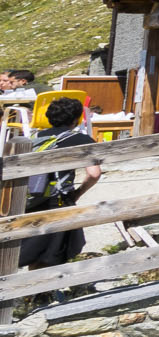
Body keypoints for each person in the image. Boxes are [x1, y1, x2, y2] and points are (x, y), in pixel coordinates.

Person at [21, 95, 101, 268]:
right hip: (57, 200)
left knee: (33, 247)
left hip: (29, 199)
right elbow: (94, 174)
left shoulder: (33, 139)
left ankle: (32, 291)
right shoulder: (81, 140)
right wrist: (77, 193)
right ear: (76, 118)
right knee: (52, 250)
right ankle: (41, 292)